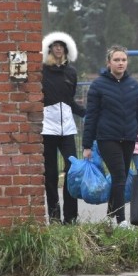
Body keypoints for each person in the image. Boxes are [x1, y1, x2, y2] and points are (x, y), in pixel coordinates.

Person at [82, 45, 138, 226]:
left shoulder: (133, 86)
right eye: (116, 60)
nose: (120, 63)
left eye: (123, 60)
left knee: (118, 178)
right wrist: (87, 145)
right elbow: (91, 116)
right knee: (120, 176)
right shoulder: (98, 85)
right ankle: (122, 221)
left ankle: (109, 217)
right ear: (109, 63)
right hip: (107, 138)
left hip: (128, 138)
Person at [41, 32, 85, 225]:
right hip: (47, 129)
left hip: (67, 129)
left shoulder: (71, 72)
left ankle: (71, 218)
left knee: (72, 171)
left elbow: (70, 101)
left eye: (62, 46)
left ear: (66, 50)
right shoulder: (42, 71)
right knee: (50, 174)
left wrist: (88, 114)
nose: (58, 48)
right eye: (55, 45)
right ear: (50, 48)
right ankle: (54, 217)